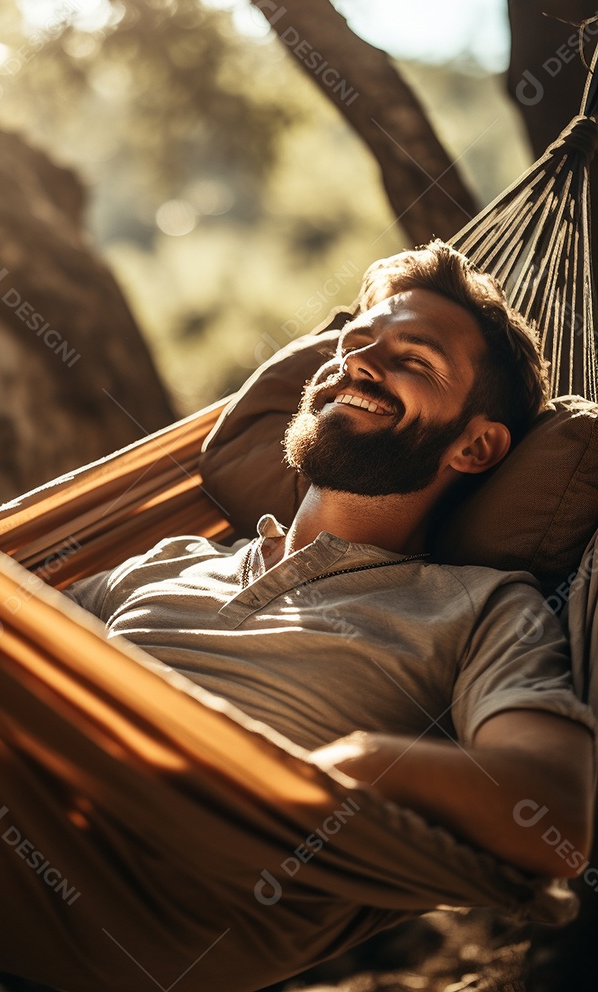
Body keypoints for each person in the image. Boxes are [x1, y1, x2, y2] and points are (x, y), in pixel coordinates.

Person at [65, 241, 596, 880]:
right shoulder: (169, 561)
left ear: (477, 446)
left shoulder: (481, 609)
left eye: (414, 359)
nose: (354, 363)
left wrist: (355, 768)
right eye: (352, 342)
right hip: (7, 794)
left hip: (158, 881)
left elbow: (554, 813)